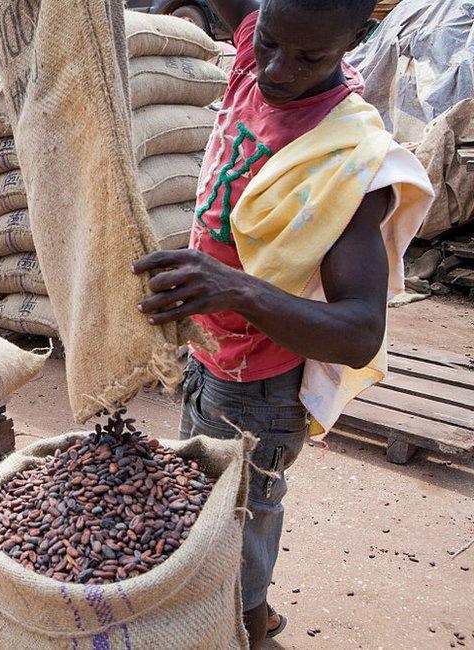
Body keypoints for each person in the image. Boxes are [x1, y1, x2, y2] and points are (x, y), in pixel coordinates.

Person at [132, 0, 434, 646]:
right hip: (208, 353)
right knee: (204, 503)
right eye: (268, 43)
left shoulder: (352, 156)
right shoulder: (257, 49)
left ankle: (249, 631)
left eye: (309, 58)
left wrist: (233, 287)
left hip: (260, 388)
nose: (277, 69)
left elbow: (359, 332)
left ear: (358, 38)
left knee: (237, 527)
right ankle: (250, 612)